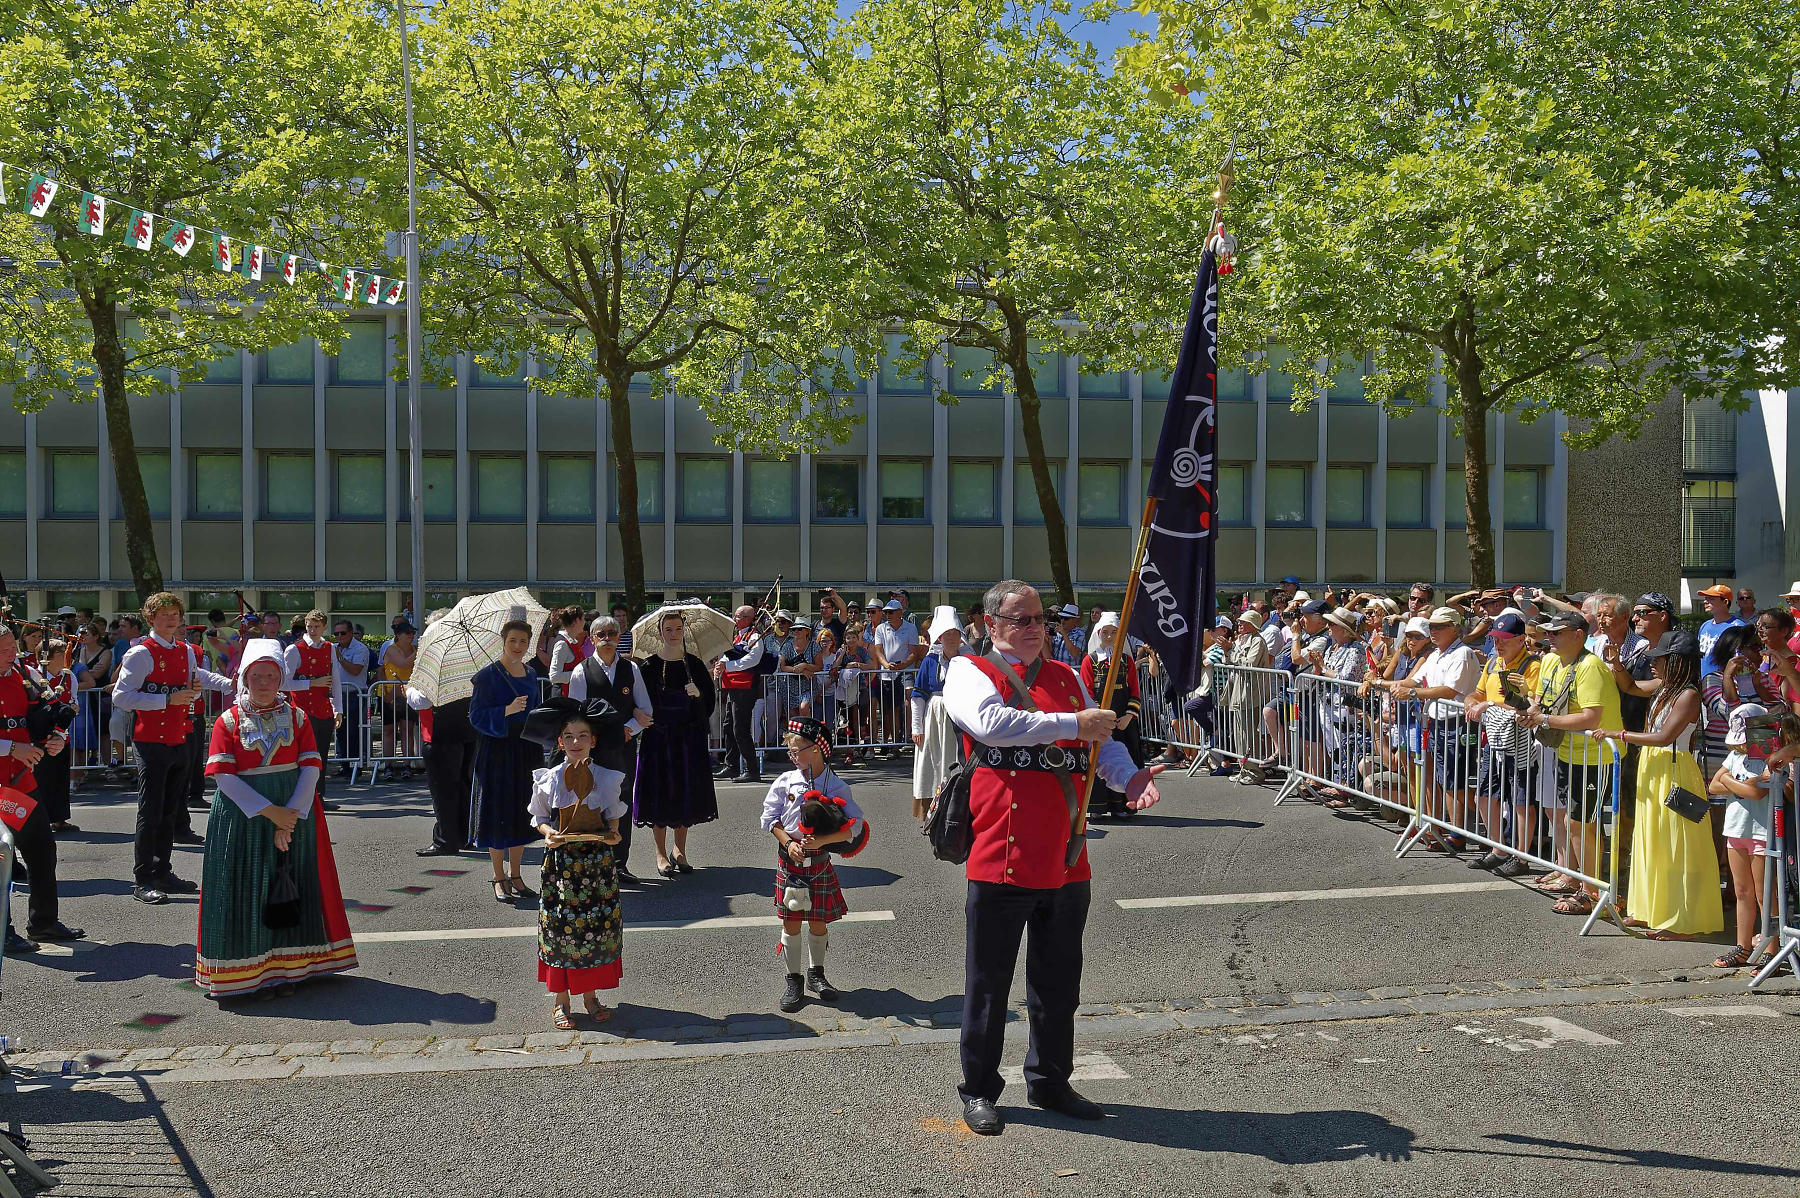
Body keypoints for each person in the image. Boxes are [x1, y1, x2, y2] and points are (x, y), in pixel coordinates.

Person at [944, 580, 1165, 1136]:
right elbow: (992, 724)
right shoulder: (969, 670)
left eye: (1038, 618)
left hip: (1067, 853)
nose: (1034, 627)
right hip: (1002, 851)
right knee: (989, 982)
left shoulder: (1066, 677)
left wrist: (1129, 776)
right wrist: (1075, 725)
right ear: (991, 625)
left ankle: (1050, 1080)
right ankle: (979, 1089)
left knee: (1058, 980)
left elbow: (1102, 742)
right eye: (1019, 619)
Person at [194, 639, 356, 1000]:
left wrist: (291, 817)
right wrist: (274, 815)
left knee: (289, 885)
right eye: (258, 675)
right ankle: (248, 975)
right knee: (247, 886)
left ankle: (289, 970)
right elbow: (224, 778)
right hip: (243, 815)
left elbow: (312, 765)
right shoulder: (227, 720)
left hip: (294, 807)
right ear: (245, 678)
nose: (265, 682)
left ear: (281, 678)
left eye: (271, 674)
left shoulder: (298, 717)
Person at [1595, 630, 1723, 941]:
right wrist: (1617, 665)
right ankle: (1651, 909)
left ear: (1676, 662)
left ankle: (1684, 921)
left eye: (1660, 660)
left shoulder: (1688, 695)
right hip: (1655, 767)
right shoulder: (1666, 687)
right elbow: (1629, 686)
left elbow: (1664, 737)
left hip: (1674, 769)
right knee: (1652, 840)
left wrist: (1619, 734)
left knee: (1676, 847)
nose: (1654, 665)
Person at [113, 593, 234, 906]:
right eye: (163, 614)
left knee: (170, 811)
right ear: (151, 618)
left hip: (179, 738)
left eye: (174, 614)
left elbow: (197, 678)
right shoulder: (140, 653)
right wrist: (165, 700)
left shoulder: (185, 650)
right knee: (150, 811)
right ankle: (143, 878)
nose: (170, 619)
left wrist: (230, 683)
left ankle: (162, 870)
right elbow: (121, 697)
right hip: (151, 741)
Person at [526, 707, 627, 1029]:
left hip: (597, 865)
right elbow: (539, 819)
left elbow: (613, 815)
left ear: (593, 741)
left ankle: (591, 996)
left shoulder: (606, 778)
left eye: (583, 735)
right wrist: (549, 834)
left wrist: (614, 833)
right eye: (569, 736)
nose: (576, 741)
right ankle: (561, 1000)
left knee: (595, 931)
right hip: (562, 866)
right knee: (561, 931)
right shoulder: (549, 778)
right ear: (560, 742)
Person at [1519, 611, 1622, 915]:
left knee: (1582, 825)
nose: (1549, 637)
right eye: (1548, 632)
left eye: (1557, 633)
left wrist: (1544, 719)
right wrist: (1530, 712)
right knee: (1572, 822)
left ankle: (1590, 891)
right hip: (1567, 750)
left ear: (1579, 635)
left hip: (1594, 756)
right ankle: (1577, 879)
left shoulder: (1591, 667)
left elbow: (1592, 717)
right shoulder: (1551, 660)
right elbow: (1540, 699)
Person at [762, 715, 865, 1013]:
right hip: (791, 864)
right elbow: (771, 819)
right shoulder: (785, 781)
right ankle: (793, 980)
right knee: (791, 922)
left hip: (819, 864)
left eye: (797, 750)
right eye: (790, 752)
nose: (792, 756)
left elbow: (855, 825)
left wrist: (822, 841)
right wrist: (788, 842)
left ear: (817, 748)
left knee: (818, 923)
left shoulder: (835, 785)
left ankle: (816, 975)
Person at [0, 622, 80, 954]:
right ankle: (2, 931)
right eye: (4, 651)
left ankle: (43, 922)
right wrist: (10, 748)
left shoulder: (25, 675)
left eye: (11, 648)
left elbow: (51, 714)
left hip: (21, 783)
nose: (12, 655)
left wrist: (59, 737)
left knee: (42, 850)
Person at [1379, 608, 1480, 853]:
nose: (1433, 631)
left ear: (1454, 629)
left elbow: (1448, 690)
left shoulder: (1463, 653)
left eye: (1439, 627)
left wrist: (1410, 692)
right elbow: (1413, 680)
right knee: (1445, 780)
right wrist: (1379, 683)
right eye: (1431, 627)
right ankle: (1450, 829)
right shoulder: (1437, 654)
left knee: (1454, 782)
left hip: (1458, 723)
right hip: (1437, 722)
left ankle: (1460, 832)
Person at [1707, 704, 1800, 968]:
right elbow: (1715, 784)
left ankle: (1771, 948)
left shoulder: (1774, 756)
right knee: (1741, 891)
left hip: (1763, 831)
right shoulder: (1736, 756)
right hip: (1736, 829)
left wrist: (1730, 782)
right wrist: (1737, 783)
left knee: (1764, 894)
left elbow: (1758, 791)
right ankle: (1743, 946)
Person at [569, 615, 652, 885]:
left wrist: (629, 729)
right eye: (601, 634)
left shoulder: (631, 669)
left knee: (621, 801)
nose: (607, 639)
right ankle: (596, 862)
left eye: (611, 634)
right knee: (592, 801)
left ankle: (619, 862)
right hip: (593, 749)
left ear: (619, 637)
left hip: (623, 747)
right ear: (592, 639)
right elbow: (576, 714)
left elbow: (646, 710)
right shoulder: (582, 670)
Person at [468, 620, 546, 902]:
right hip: (497, 749)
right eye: (513, 640)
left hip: (525, 748)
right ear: (504, 641)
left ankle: (516, 874)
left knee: (521, 812)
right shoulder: (487, 675)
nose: (518, 646)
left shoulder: (530, 672)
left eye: (523, 641)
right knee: (497, 813)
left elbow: (536, 710)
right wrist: (506, 710)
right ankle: (498, 876)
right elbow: (476, 716)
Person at [637, 610, 719, 876]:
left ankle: (679, 849)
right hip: (658, 741)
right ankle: (660, 853)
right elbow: (639, 703)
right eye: (668, 629)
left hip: (687, 741)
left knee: (684, 794)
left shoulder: (694, 665)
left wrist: (698, 695)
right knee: (659, 796)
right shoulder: (647, 666)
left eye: (677, 629)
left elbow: (709, 704)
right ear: (660, 633)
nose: (673, 634)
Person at [1462, 614, 1541, 875]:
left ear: (1521, 640)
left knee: (1520, 800)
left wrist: (1488, 704)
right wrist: (1471, 701)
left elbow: (1529, 705)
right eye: (1495, 639)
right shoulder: (1494, 662)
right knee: (1484, 795)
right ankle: (1498, 849)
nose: (1498, 644)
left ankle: (1520, 856)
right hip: (1494, 740)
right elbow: (1479, 692)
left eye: (1504, 640)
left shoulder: (1532, 666)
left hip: (1520, 741)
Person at [1080, 613, 1145, 822]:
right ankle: (1098, 805)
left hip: (1124, 722)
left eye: (1114, 633)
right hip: (1100, 719)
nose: (1109, 636)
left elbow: (1135, 691)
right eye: (1105, 633)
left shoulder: (1127, 661)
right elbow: (1086, 693)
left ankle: (1123, 805)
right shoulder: (1090, 661)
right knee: (1099, 761)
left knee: (1127, 758)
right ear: (1098, 634)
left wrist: (1128, 716)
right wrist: (1099, 716)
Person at [911, 606, 964, 821]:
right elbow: (918, 694)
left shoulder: (967, 662)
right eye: (947, 634)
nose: (951, 638)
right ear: (939, 637)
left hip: (959, 714)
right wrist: (917, 727)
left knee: (954, 757)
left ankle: (954, 805)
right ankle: (932, 808)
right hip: (934, 717)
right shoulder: (930, 661)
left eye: (955, 633)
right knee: (931, 758)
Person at [284, 611, 339, 804]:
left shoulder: (329, 648)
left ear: (324, 627)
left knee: (321, 757)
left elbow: (336, 681)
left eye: (317, 626)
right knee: (304, 756)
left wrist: (338, 709)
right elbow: (284, 683)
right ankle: (302, 798)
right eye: (309, 626)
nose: (313, 630)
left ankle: (318, 797)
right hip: (302, 711)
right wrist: (312, 683)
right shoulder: (294, 650)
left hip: (324, 710)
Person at [715, 605, 766, 783]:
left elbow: (752, 659)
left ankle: (752, 769)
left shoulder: (754, 636)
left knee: (740, 728)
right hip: (734, 686)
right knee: (728, 726)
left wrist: (727, 665)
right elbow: (730, 655)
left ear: (747, 618)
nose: (734, 619)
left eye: (737, 616)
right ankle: (731, 765)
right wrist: (721, 664)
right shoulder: (739, 636)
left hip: (746, 687)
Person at [33, 636, 78, 835]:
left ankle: (59, 819)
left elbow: (74, 702)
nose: (66, 657)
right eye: (61, 653)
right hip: (40, 736)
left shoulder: (70, 676)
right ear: (48, 657)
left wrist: (72, 710)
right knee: (40, 778)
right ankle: (40, 819)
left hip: (62, 734)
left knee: (60, 777)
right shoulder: (35, 676)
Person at [871, 599, 922, 754]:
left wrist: (902, 665)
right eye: (886, 612)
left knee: (906, 703)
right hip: (886, 675)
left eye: (891, 612)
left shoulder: (911, 627)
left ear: (900, 613)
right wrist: (886, 665)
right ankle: (890, 743)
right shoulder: (881, 628)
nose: (887, 614)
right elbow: (878, 651)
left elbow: (914, 651)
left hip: (905, 673)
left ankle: (906, 737)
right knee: (887, 711)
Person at [376, 621, 420, 779]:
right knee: (389, 731)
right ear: (398, 635)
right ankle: (388, 765)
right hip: (389, 694)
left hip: (407, 694)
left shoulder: (414, 649)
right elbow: (403, 664)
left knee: (407, 730)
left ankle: (407, 765)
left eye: (412, 633)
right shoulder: (391, 649)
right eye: (407, 632)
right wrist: (420, 651)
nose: (411, 635)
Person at [330, 620, 370, 779]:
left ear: (351, 633)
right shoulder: (333, 648)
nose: (339, 637)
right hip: (338, 695)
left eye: (343, 633)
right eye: (336, 634)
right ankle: (343, 765)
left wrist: (339, 657)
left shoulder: (360, 649)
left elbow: (355, 670)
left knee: (353, 731)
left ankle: (355, 766)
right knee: (340, 730)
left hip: (354, 694)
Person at [1696, 583, 1744, 676]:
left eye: (1711, 598)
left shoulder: (1738, 627)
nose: (1705, 601)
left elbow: (1740, 661)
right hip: (1703, 682)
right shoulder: (1705, 625)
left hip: (1724, 683)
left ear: (1725, 602)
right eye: (1706, 598)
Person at [547, 605, 590, 698]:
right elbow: (554, 676)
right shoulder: (562, 644)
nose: (584, 622)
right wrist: (580, 674)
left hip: (573, 695)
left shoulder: (572, 641)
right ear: (576, 621)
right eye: (583, 619)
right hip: (563, 698)